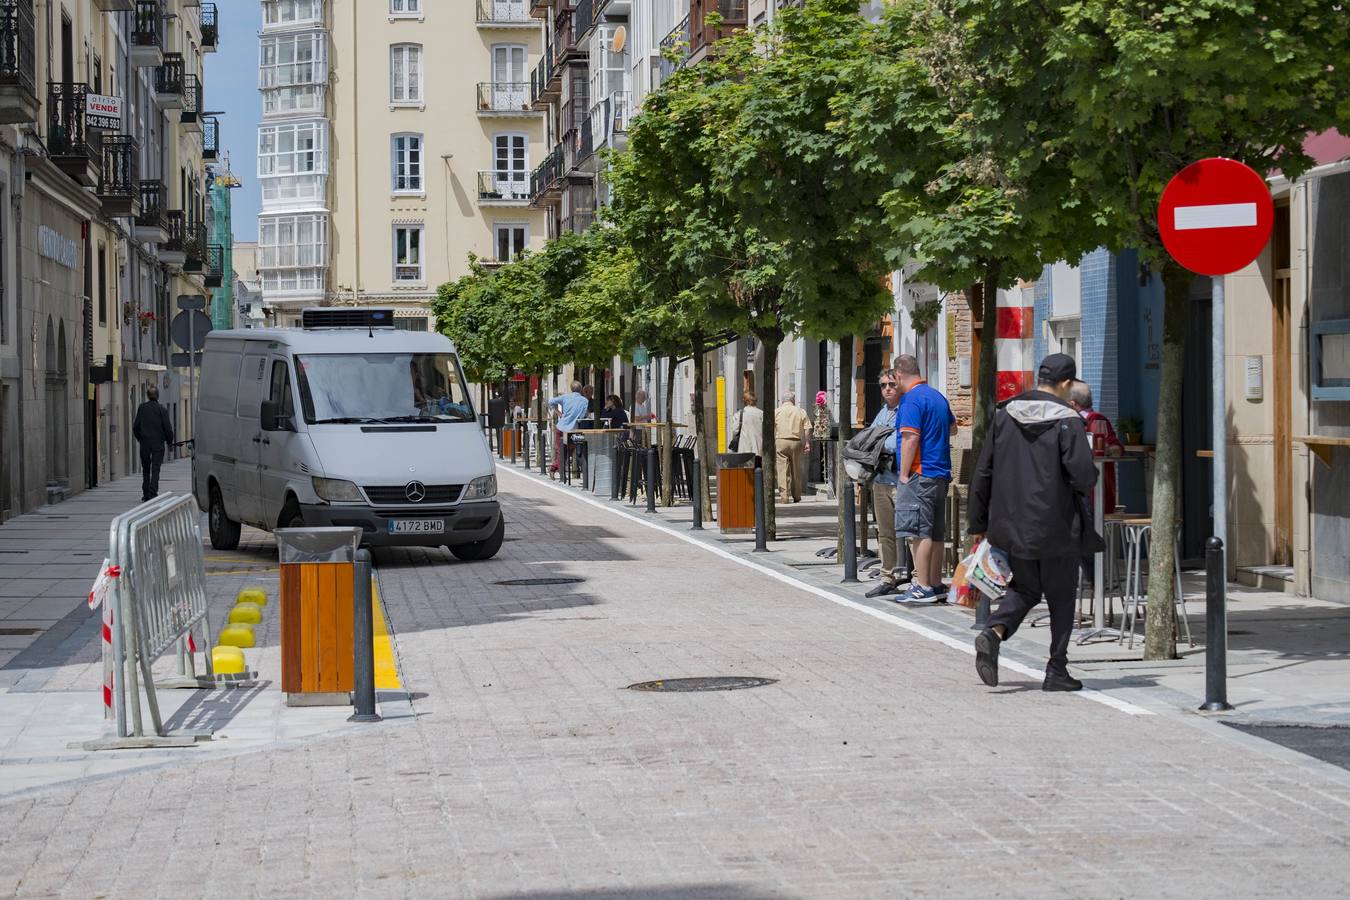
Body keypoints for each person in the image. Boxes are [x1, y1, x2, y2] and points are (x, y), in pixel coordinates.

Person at [968, 353, 1100, 693]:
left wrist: (979, 520)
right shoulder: (1068, 420)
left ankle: (993, 632)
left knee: (1025, 588)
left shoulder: (1004, 414)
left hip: (1011, 524)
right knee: (1060, 596)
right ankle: (1056, 668)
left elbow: (983, 470)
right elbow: (1083, 476)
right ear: (1067, 384)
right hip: (1056, 524)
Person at [893, 355, 956, 603]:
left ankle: (922, 586)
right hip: (940, 472)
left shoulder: (911, 400)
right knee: (936, 531)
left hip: (920, 472)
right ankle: (936, 583)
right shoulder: (937, 396)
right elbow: (953, 428)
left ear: (899, 375)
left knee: (920, 531)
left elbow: (910, 438)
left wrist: (904, 473)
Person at [865, 370, 904, 598]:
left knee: (909, 531)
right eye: (883, 385)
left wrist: (879, 444)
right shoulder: (882, 413)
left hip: (900, 479)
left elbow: (895, 443)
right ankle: (887, 576)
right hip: (880, 479)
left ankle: (918, 577)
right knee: (885, 532)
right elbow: (870, 439)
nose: (887, 389)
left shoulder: (906, 410)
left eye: (891, 384)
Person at [1069, 380, 1122, 513]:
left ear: (1072, 404)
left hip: (1093, 491)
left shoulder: (1096, 420)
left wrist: (1106, 449)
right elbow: (1117, 449)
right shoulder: (1073, 420)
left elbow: (1117, 449)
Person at [132, 385, 175, 503]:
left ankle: (145, 493)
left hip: (145, 443)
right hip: (158, 444)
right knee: (156, 468)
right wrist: (170, 443)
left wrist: (140, 438)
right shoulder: (162, 410)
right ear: (158, 396)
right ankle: (153, 493)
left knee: (146, 469)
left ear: (147, 395)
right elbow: (168, 428)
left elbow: (136, 426)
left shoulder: (142, 408)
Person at [773, 391, 811, 502]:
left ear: (782, 400)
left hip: (781, 441)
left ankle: (784, 495)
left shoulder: (776, 411)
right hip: (796, 442)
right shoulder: (800, 411)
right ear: (793, 400)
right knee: (796, 469)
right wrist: (807, 443)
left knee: (782, 469)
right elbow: (807, 428)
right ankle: (797, 495)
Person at [547, 381, 589, 478]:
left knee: (561, 451)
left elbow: (550, 402)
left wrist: (559, 413)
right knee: (567, 452)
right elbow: (582, 416)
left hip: (561, 427)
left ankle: (555, 470)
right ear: (581, 389)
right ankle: (555, 470)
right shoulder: (584, 401)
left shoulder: (565, 397)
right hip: (572, 429)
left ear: (571, 389)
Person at [729, 390, 764, 461]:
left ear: (744, 401)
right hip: (759, 448)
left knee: (746, 470)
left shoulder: (740, 414)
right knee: (758, 470)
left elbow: (734, 431)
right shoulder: (761, 413)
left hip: (744, 449)